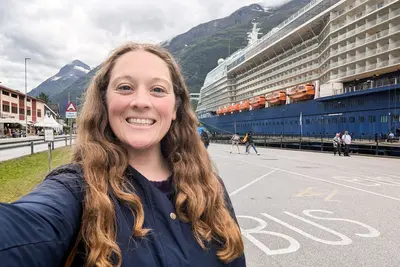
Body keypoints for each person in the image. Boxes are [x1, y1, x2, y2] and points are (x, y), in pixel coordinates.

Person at [0, 43, 246, 267]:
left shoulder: (211, 188)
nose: (140, 101)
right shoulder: (77, 189)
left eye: (158, 89)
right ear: (105, 103)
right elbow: (28, 226)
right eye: (125, 87)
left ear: (175, 108)